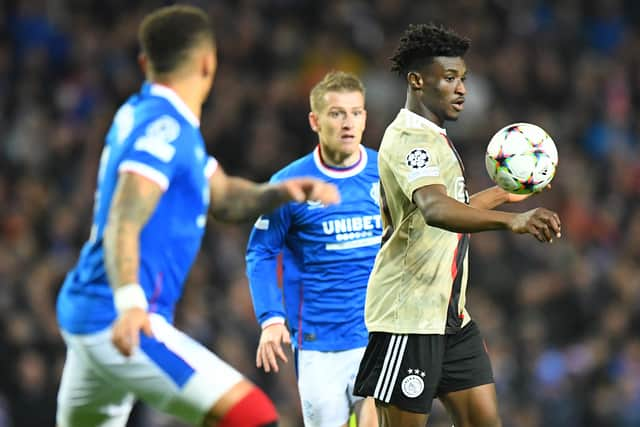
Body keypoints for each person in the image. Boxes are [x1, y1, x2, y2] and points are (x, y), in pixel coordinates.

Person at [54, 5, 340, 427]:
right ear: (209, 62)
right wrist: (131, 304)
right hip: (120, 319)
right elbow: (124, 218)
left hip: (91, 314)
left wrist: (280, 193)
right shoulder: (164, 127)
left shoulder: (151, 117)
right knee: (254, 415)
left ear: (144, 63)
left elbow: (223, 196)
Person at [353, 24, 562, 427]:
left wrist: (504, 196)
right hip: (407, 320)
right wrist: (513, 221)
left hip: (451, 318)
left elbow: (450, 210)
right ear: (417, 80)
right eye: (449, 78)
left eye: (462, 78)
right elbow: (435, 210)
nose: (461, 88)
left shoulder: (434, 139)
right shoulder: (410, 140)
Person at [245, 71, 379, 427]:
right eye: (337, 113)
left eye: (356, 112)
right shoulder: (289, 184)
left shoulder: (386, 173)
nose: (348, 122)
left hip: (379, 337)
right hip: (318, 344)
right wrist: (271, 319)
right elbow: (260, 252)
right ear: (315, 121)